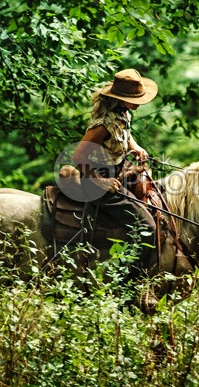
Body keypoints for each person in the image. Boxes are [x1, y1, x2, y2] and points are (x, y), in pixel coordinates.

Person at [69, 68, 158, 262]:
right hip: (97, 179)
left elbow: (126, 133)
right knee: (147, 227)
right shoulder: (102, 125)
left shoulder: (123, 113)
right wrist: (101, 182)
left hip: (119, 168)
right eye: (134, 99)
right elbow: (77, 156)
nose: (138, 103)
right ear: (120, 97)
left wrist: (135, 147)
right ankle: (132, 282)